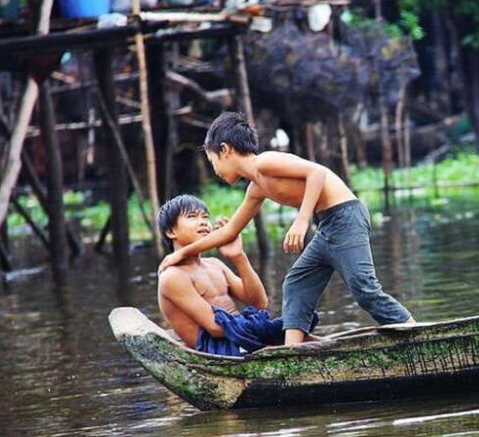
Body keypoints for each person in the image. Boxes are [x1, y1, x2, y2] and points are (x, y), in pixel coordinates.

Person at [158, 111, 413, 345]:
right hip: (327, 224)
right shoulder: (256, 188)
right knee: (296, 283)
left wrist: (302, 220)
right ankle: (293, 350)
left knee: (363, 289)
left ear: (225, 150)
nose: (215, 170)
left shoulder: (265, 162)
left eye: (213, 161)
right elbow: (228, 232)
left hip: (346, 216)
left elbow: (317, 173)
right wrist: (180, 254)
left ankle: (413, 331)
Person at [156, 194, 311, 357]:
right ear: (171, 231)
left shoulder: (215, 264)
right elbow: (215, 329)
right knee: (292, 332)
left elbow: (259, 302)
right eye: (192, 217)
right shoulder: (173, 276)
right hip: (219, 348)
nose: (203, 222)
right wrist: (260, 327)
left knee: (300, 326)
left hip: (242, 335)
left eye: (205, 217)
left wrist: (239, 256)